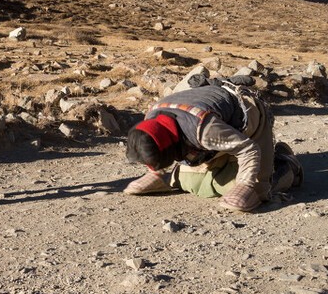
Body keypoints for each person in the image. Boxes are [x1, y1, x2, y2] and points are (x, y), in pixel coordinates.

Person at [123, 79, 302, 213]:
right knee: (191, 182)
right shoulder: (151, 119)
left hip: (248, 122)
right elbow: (158, 140)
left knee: (256, 188)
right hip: (217, 131)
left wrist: (245, 185)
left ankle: (286, 163)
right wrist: (156, 172)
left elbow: (249, 149)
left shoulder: (204, 130)